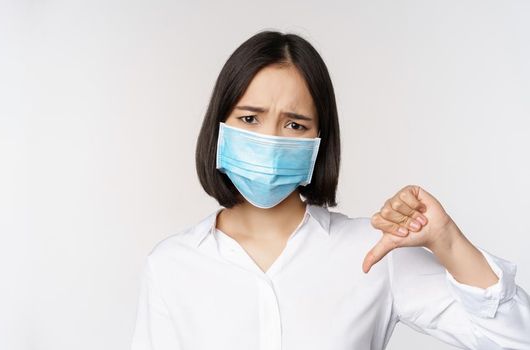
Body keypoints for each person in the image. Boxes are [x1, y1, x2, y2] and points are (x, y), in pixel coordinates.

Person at [130, 30, 530, 350]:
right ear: (220, 126)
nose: (270, 140)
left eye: (294, 125)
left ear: (320, 140)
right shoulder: (171, 266)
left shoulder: (374, 253)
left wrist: (448, 242)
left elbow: (515, 341)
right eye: (250, 118)